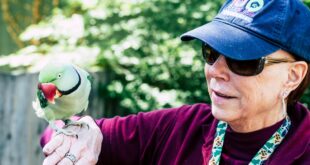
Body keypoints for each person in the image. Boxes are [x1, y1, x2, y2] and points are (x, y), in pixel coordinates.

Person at [40, 0, 310, 164]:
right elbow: (51, 135)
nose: (216, 70)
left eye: (244, 61)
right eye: (211, 52)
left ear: (293, 75)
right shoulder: (179, 129)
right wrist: (79, 133)